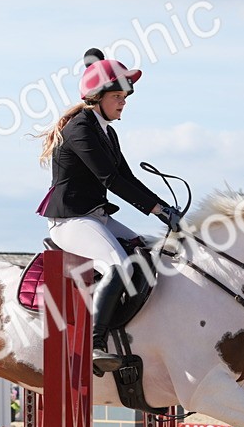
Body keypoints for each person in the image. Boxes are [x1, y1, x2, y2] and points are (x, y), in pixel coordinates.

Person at [37, 48, 183, 372]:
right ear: (98, 96)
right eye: (117, 95)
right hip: (71, 219)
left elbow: (128, 177)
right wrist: (158, 211)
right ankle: (94, 343)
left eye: (124, 96)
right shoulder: (80, 128)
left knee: (148, 250)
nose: (123, 102)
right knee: (117, 264)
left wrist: (166, 209)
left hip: (96, 217)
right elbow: (111, 179)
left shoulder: (108, 131)